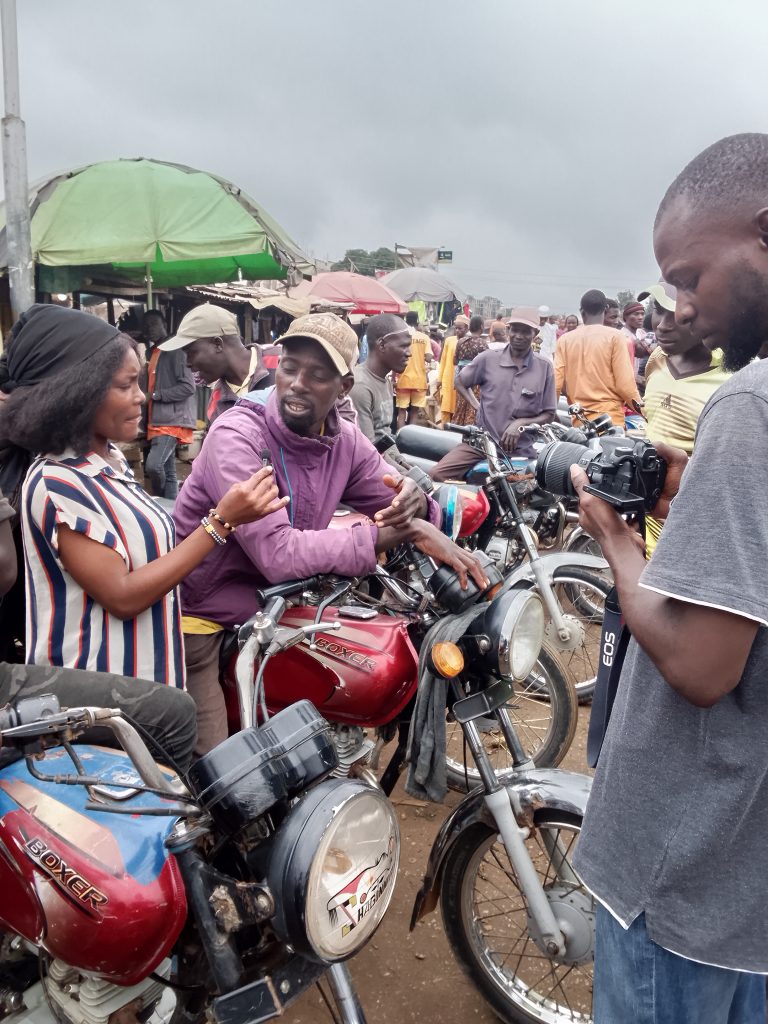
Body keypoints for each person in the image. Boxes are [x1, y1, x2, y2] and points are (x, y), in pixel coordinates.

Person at [572, 132, 768, 1024]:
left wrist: (615, 539)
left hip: (684, 864)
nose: (682, 305)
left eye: (690, 275)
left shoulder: (750, 403)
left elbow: (700, 665)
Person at [173, 312, 487, 753]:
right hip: (208, 609)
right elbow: (277, 554)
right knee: (225, 770)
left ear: (342, 387)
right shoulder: (238, 437)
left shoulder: (343, 441)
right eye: (289, 368)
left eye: (317, 375)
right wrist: (395, 534)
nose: (298, 383)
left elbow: (392, 497)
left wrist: (418, 505)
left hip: (280, 600)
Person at [0, 305, 287, 693]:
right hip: (100, 703)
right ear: (76, 393)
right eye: (125, 386)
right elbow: (122, 596)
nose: (141, 397)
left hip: (149, 686)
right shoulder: (59, 480)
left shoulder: (111, 462)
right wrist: (220, 522)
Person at [638, 281, 730, 555]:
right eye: (658, 310)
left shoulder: (732, 375)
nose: (662, 325)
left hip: (695, 529)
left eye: (675, 315)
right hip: (646, 520)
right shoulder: (657, 359)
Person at [431, 307, 556, 482]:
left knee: (531, 490)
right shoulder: (488, 359)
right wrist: (476, 406)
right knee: (436, 475)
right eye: (515, 330)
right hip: (481, 445)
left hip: (521, 450)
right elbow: (459, 382)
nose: (519, 335)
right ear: (508, 330)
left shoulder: (544, 367)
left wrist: (520, 424)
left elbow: (549, 414)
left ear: (535, 333)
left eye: (526, 331)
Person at [158, 303, 270, 422]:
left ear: (218, 344)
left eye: (191, 353)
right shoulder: (216, 404)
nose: (187, 363)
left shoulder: (281, 363)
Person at [554, 288, 641, 426]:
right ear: (605, 309)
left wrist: (551, 412)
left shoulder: (565, 340)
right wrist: (644, 412)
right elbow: (626, 386)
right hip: (610, 421)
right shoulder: (616, 337)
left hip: (580, 422)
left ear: (582, 312)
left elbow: (556, 384)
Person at [141, 310, 196, 499]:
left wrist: (155, 395)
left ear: (164, 323)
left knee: (153, 466)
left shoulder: (175, 351)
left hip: (170, 420)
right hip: (156, 419)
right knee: (170, 471)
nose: (150, 329)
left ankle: (160, 499)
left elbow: (188, 387)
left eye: (153, 324)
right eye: (146, 326)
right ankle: (172, 510)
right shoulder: (153, 352)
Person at [349, 313, 411, 446]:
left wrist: (403, 463)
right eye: (403, 346)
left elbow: (385, 438)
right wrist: (399, 467)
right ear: (382, 345)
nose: (409, 353)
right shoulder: (360, 387)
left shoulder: (386, 382)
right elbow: (368, 452)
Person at [395, 310, 432, 428]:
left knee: (402, 411)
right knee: (414, 411)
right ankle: (410, 438)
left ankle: (400, 438)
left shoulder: (401, 336)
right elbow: (429, 357)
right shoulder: (424, 337)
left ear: (406, 320)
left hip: (403, 378)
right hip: (419, 380)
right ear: (417, 322)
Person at [451, 315, 488, 426]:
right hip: (476, 380)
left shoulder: (461, 341)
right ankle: (470, 429)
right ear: (481, 327)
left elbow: (455, 360)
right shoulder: (483, 344)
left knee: (460, 404)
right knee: (473, 405)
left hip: (461, 378)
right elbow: (487, 365)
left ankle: (457, 426)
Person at [437, 314, 469, 425]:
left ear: (466, 328)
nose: (457, 331)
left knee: (457, 409)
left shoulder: (469, 342)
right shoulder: (449, 340)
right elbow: (443, 360)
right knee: (445, 408)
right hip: (447, 377)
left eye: (460, 328)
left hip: (461, 381)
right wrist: (439, 378)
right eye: (456, 328)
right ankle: (444, 433)